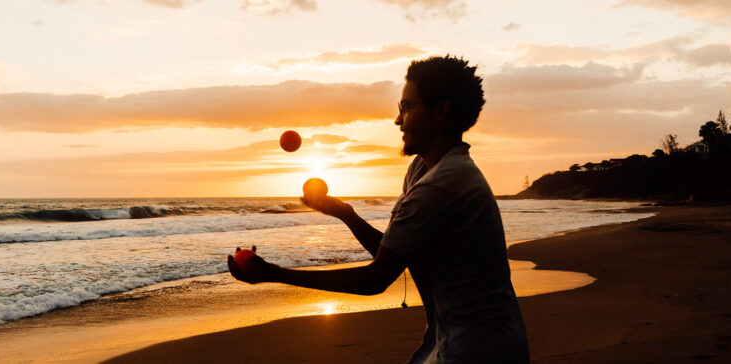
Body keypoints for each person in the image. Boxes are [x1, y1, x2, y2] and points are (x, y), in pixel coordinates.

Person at [227, 55, 530, 363]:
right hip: (452, 339)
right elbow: (393, 253)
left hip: (478, 350)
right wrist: (346, 214)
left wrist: (273, 273)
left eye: (407, 108)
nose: (398, 120)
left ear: (440, 111)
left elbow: (375, 280)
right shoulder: (422, 171)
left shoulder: (438, 186)